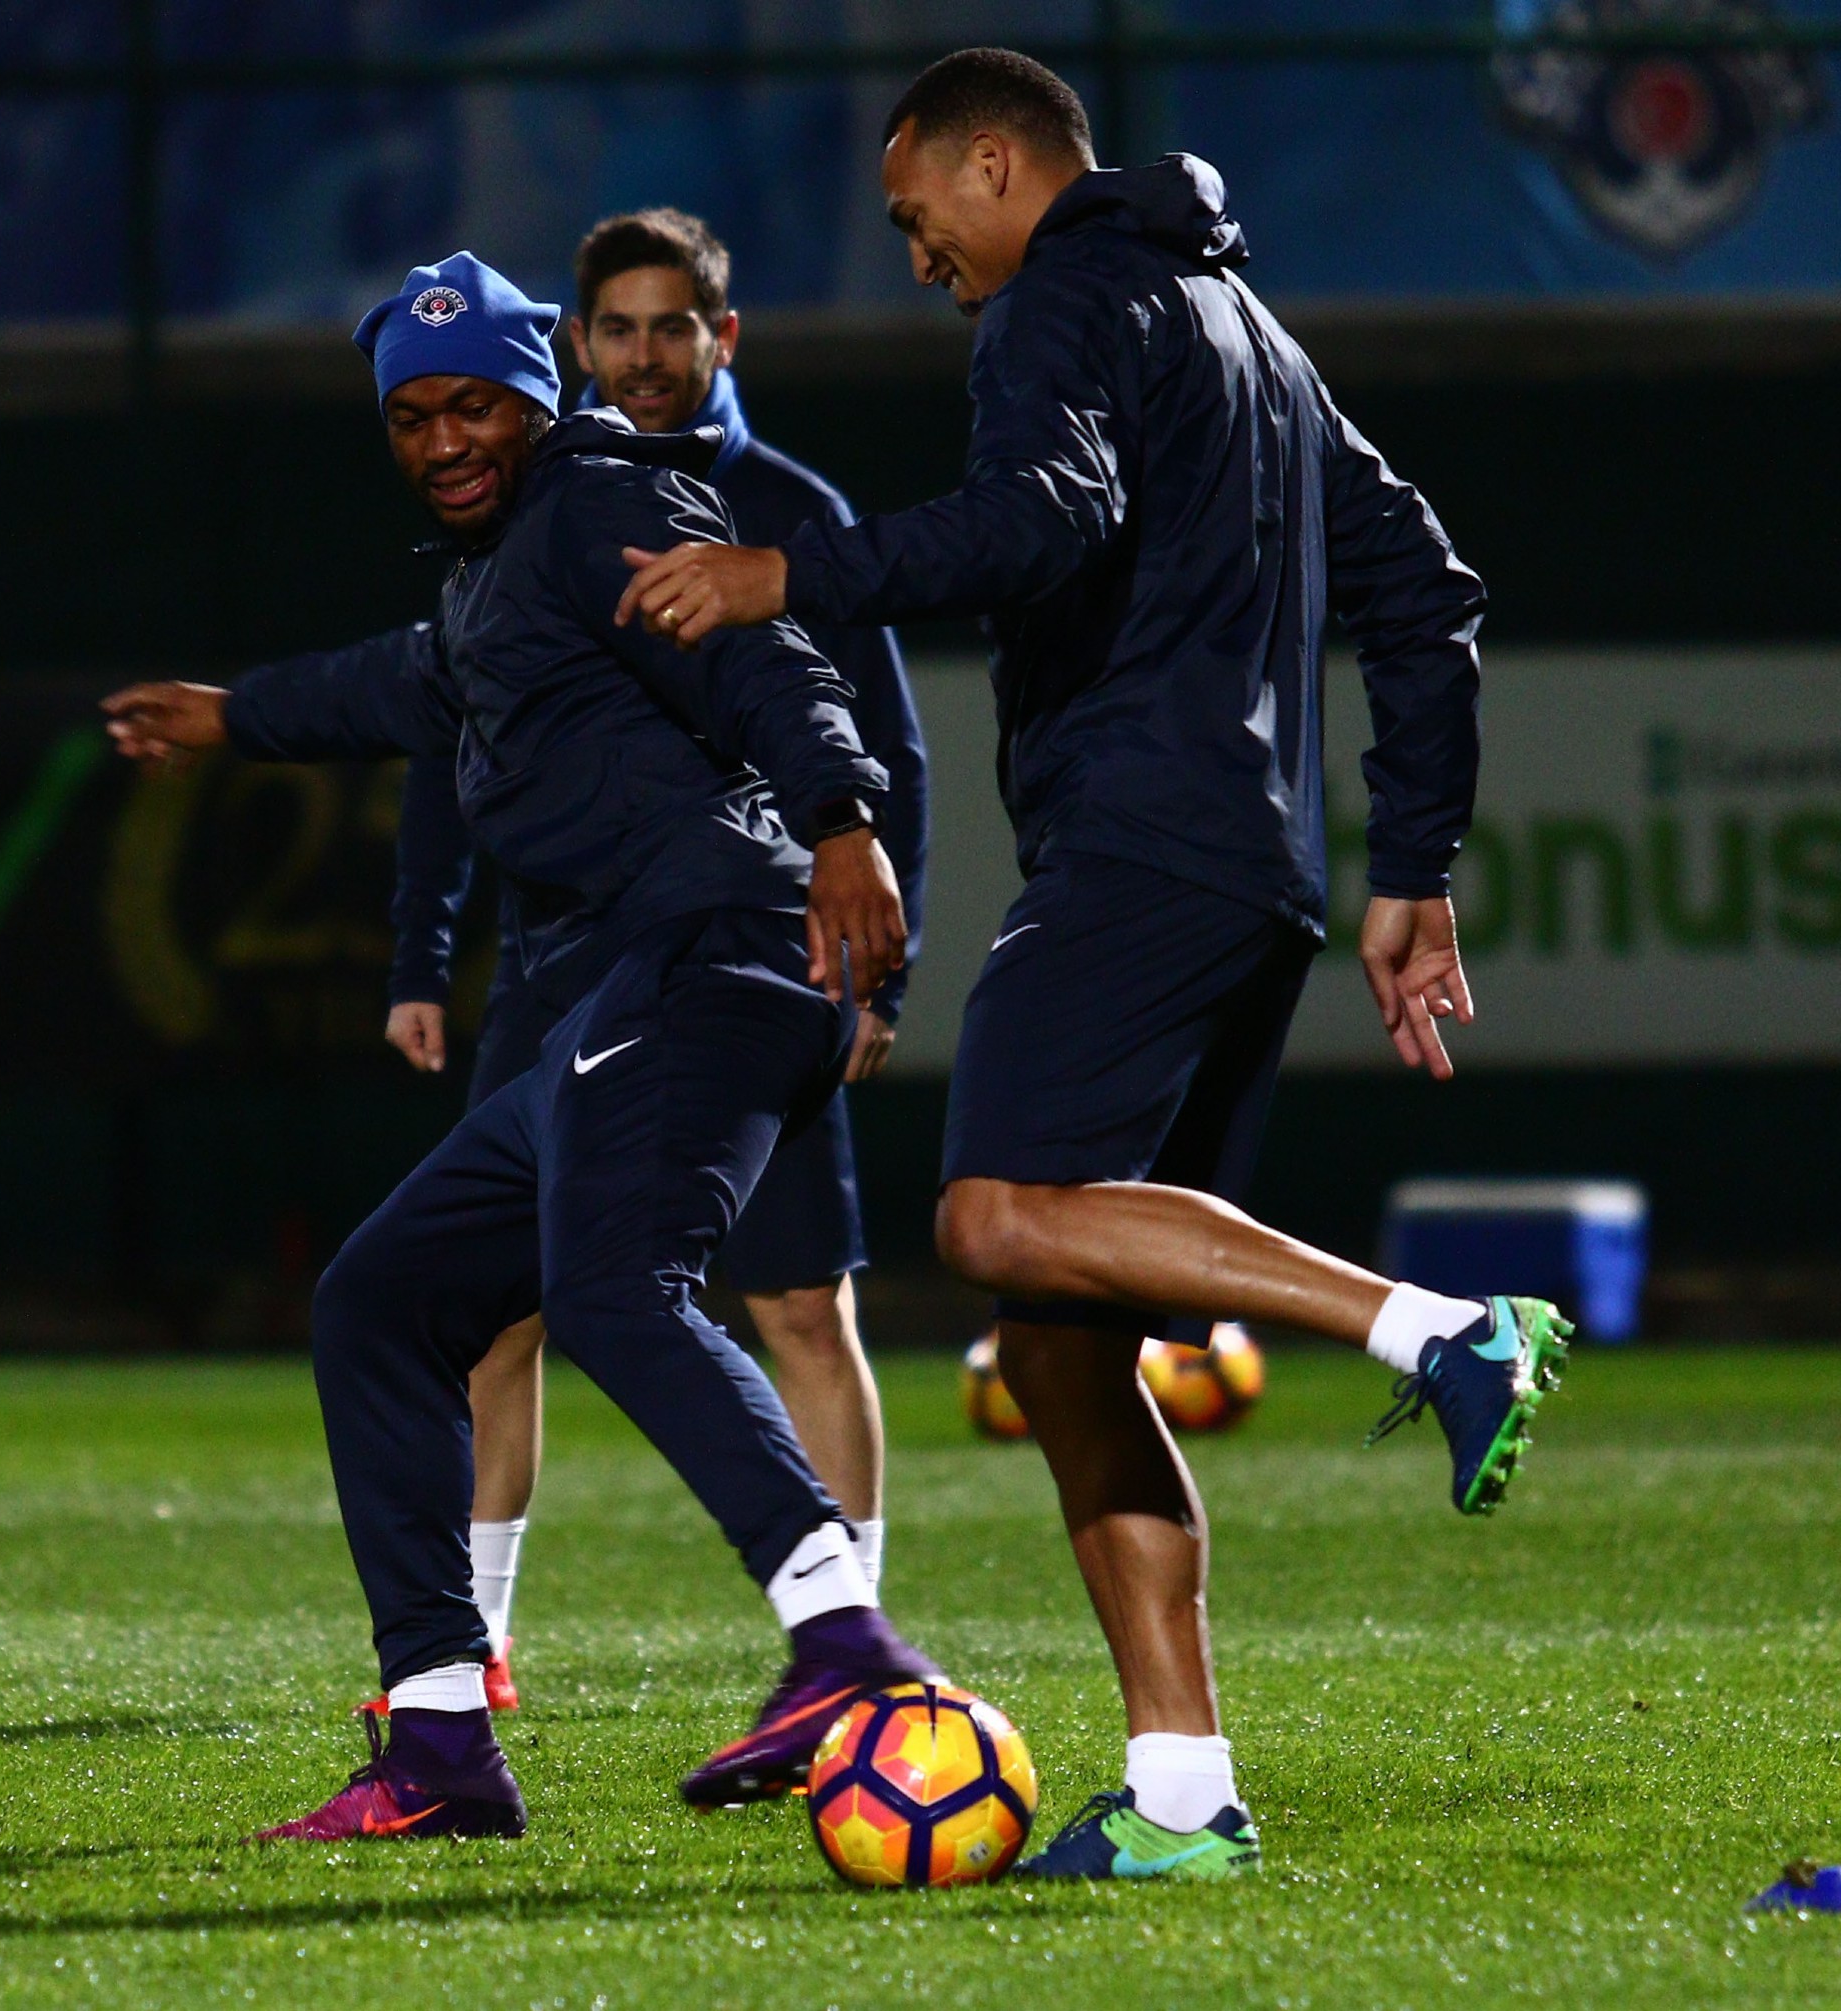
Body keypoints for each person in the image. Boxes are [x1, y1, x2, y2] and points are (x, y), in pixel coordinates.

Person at [617, 49, 1572, 1882]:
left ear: (993, 164)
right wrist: (1415, 865)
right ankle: (1184, 1802)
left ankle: (1444, 1331)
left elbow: (1038, 518)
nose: (916, 255)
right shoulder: (1249, 331)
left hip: (1141, 843)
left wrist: (778, 575)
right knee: (1062, 1354)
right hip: (1254, 874)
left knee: (989, 1221)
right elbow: (1425, 591)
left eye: (915, 214)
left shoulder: (1060, 303)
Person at [103, 252, 940, 1841]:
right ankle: (438, 1734)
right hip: (611, 997)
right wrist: (238, 714)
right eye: (412, 416)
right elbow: (404, 682)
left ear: (537, 396)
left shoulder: (596, 500)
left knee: (621, 1291)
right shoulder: (498, 573)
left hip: (711, 953)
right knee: (380, 1301)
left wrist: (844, 821)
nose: (443, 440)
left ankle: (845, 1640)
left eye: (473, 404)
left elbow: (763, 655)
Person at [375, 212, 928, 1712]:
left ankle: (849, 1646)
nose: (641, 352)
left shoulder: (783, 509)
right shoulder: (526, 509)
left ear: (719, 338)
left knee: (797, 1302)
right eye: (614, 327)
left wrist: (880, 965)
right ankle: (478, 1645)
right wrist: (425, 950)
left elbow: (880, 743)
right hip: (562, 969)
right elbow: (452, 739)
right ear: (576, 345)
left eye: (668, 326)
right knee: (496, 1307)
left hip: (742, 950)